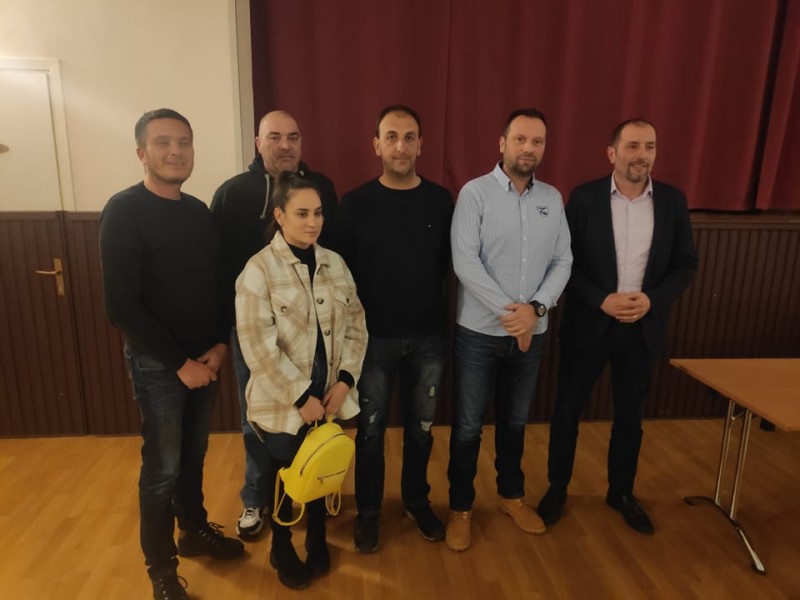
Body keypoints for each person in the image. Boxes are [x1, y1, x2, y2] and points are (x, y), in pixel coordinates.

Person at [99, 108, 244, 600]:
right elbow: (121, 306)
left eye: (184, 142)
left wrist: (219, 346)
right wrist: (181, 365)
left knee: (194, 455)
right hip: (159, 365)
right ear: (142, 152)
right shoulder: (124, 211)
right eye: (163, 143)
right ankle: (161, 570)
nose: (176, 151)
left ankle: (194, 530)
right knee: (162, 470)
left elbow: (218, 285)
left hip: (206, 361)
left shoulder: (199, 212)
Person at [537, 118, 698, 535]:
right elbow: (563, 263)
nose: (641, 155)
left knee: (630, 417)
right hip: (589, 324)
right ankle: (557, 488)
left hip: (642, 327)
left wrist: (652, 299)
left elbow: (685, 265)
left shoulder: (673, 202)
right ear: (612, 153)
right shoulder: (584, 198)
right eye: (632, 146)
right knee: (567, 412)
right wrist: (600, 299)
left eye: (649, 146)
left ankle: (621, 493)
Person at [446, 108, 573, 552]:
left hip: (531, 334)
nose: (528, 148)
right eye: (520, 139)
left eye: (537, 141)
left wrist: (534, 311)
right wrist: (512, 315)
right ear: (502, 144)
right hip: (479, 334)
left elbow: (563, 260)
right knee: (467, 427)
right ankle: (460, 507)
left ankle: (511, 495)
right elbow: (465, 263)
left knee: (516, 422)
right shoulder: (475, 194)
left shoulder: (552, 199)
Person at [235, 172, 368, 589]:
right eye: (302, 213)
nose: (313, 223)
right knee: (283, 470)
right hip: (283, 401)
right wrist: (299, 397)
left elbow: (356, 327)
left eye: (318, 213)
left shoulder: (335, 264)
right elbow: (257, 347)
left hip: (329, 395)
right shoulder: (258, 270)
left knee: (318, 466)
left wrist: (344, 381)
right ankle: (280, 544)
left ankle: (316, 534)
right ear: (279, 215)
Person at [210, 110, 338, 540]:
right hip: (255, 332)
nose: (285, 145)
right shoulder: (232, 193)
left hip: (310, 331)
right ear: (258, 143)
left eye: (293, 137)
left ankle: (308, 490)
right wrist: (223, 331)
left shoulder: (320, 188)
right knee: (259, 420)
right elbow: (216, 267)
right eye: (275, 137)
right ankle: (257, 498)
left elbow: (332, 254)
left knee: (310, 414)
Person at [333, 105, 453, 553]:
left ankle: (416, 502)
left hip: (427, 337)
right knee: (370, 432)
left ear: (421, 145)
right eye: (391, 137)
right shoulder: (354, 204)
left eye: (409, 137)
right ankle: (368, 513)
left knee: (421, 428)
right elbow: (341, 275)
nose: (400, 146)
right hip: (373, 340)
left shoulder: (441, 201)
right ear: (376, 145)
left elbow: (447, 265)